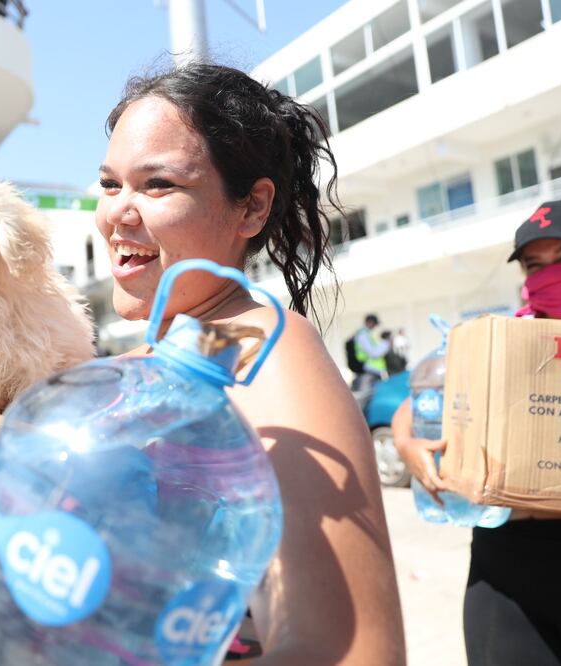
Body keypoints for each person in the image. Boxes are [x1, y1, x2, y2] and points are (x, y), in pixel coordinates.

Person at [97, 61, 405, 664]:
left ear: (251, 209)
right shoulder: (151, 359)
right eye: (111, 184)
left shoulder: (263, 352)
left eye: (157, 184)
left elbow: (354, 653)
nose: (118, 214)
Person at [393, 198, 561, 666]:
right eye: (536, 265)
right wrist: (407, 443)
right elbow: (416, 405)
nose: (553, 273)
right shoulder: (505, 343)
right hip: (506, 568)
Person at [350, 313, 389, 391]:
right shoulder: (363, 335)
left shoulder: (366, 334)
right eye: (375, 324)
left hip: (371, 371)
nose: (375, 327)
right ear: (370, 322)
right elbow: (373, 353)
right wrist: (386, 343)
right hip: (368, 372)